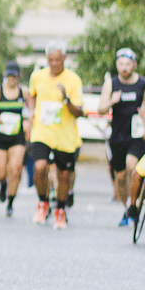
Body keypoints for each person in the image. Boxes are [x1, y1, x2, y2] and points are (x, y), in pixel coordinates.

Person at [27, 42, 85, 229]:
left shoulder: (73, 80)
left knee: (63, 175)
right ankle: (43, 203)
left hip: (64, 134)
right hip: (42, 131)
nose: (53, 64)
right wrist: (31, 111)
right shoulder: (37, 76)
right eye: (50, 60)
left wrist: (66, 97)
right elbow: (32, 95)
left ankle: (60, 209)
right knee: (40, 167)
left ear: (65, 58)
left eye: (57, 60)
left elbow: (78, 111)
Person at [98, 48, 145, 226]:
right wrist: (112, 100)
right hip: (118, 136)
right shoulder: (111, 84)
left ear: (134, 65)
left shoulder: (143, 84)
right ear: (117, 65)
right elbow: (101, 109)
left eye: (128, 64)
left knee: (132, 167)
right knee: (119, 177)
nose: (124, 68)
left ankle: (134, 204)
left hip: (136, 135)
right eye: (121, 64)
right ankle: (127, 207)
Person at [0, 62, 29, 217]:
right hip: (0, 136)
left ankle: (10, 202)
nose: (11, 79)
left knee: (15, 168)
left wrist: (27, 121)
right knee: (0, 172)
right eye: (9, 76)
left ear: (18, 76)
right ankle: (3, 185)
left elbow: (31, 109)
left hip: (16, 136)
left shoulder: (24, 92)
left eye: (14, 76)